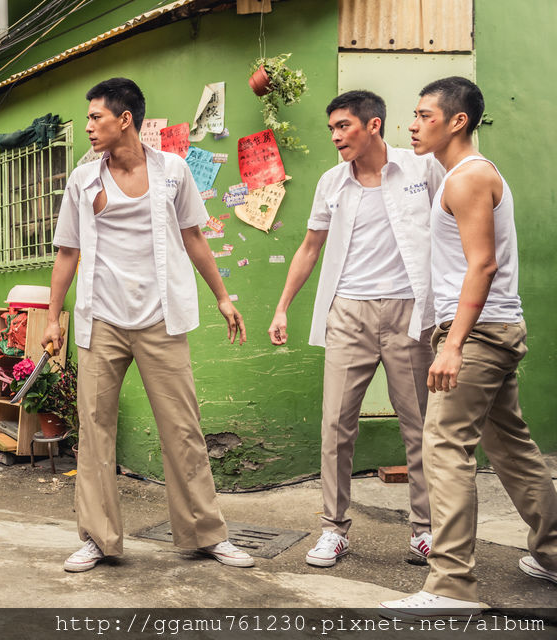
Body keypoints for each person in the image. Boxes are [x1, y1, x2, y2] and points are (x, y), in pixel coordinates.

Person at [42, 77, 252, 573]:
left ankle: (205, 534)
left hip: (161, 316)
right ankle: (98, 538)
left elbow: (195, 236)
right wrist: (53, 318)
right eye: (89, 118)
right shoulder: (83, 179)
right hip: (103, 319)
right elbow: (67, 252)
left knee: (183, 430)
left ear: (125, 119)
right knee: (95, 433)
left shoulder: (174, 171)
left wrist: (223, 297)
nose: (89, 126)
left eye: (96, 117)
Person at [379, 77, 557, 617]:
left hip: (476, 335)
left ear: (458, 121)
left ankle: (451, 585)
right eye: (412, 114)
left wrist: (453, 343)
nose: (412, 124)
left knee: (445, 447)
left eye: (424, 115)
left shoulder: (468, 179)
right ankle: (553, 552)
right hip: (492, 330)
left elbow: (483, 263)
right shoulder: (464, 174)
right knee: (510, 446)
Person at [268, 90, 443, 567]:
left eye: (343, 126)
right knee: (336, 425)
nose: (336, 136)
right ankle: (333, 530)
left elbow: (452, 229)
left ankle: (425, 531)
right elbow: (309, 247)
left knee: (420, 426)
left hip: (410, 311)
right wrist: (283, 306)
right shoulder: (331, 182)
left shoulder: (422, 169)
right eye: (331, 129)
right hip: (347, 312)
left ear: (373, 125)